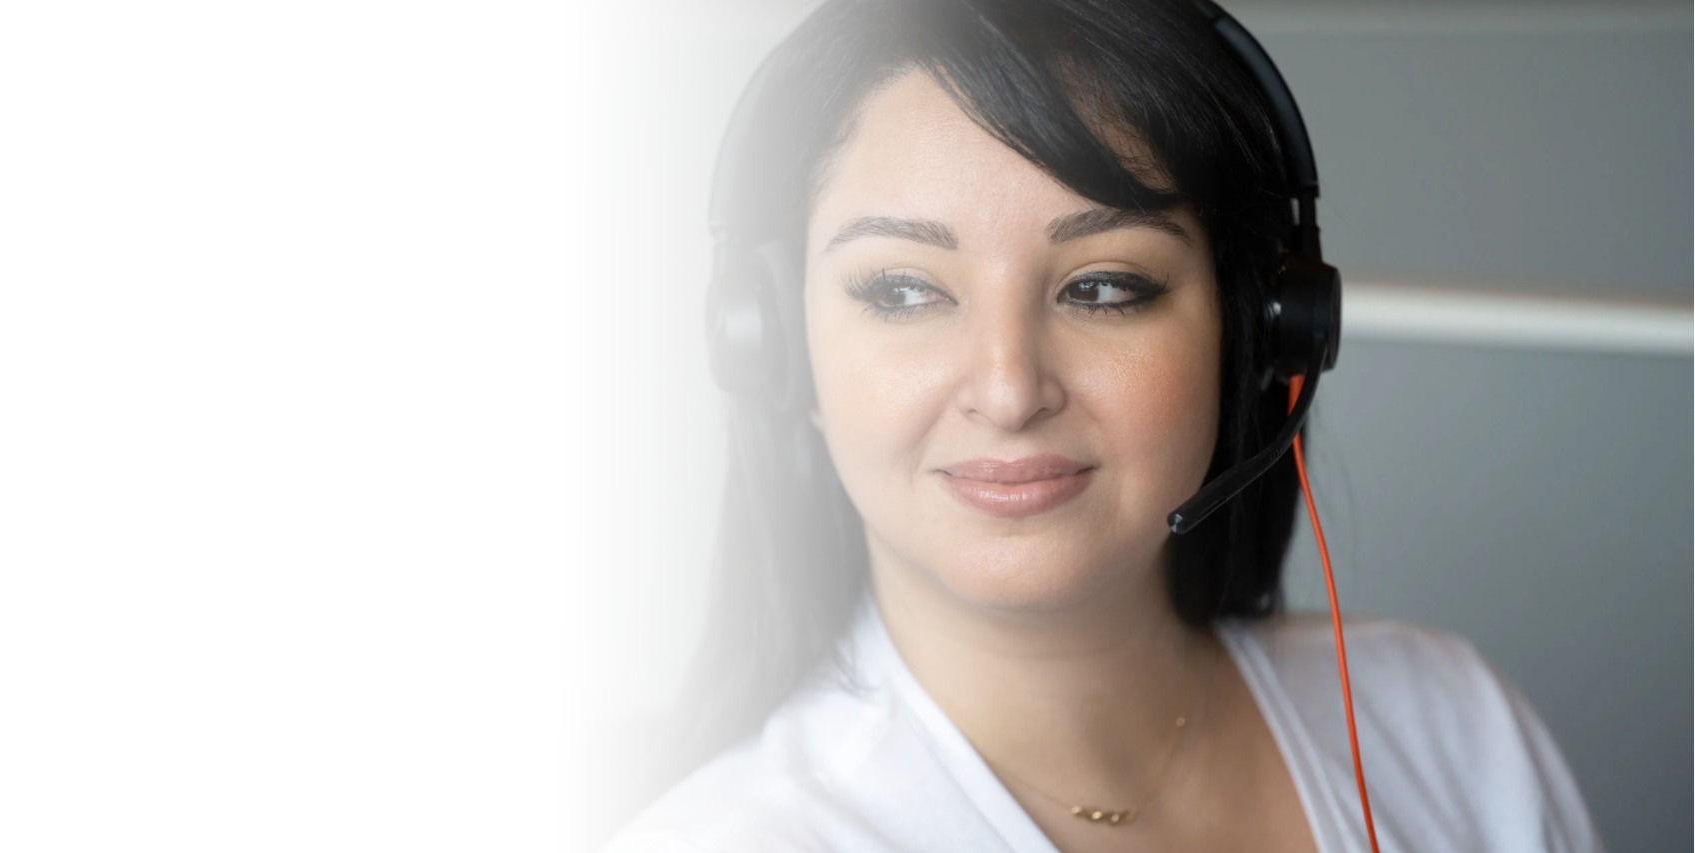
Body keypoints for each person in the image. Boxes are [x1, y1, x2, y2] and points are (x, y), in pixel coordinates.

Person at [606, 0, 1603, 851]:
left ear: (1254, 333)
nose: (1007, 389)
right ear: (775, 344)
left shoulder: (1448, 729)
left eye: (1101, 287)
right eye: (903, 291)